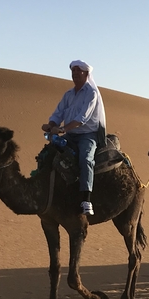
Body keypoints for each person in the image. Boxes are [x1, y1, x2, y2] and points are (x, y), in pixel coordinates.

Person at [43, 60, 106, 216]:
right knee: (48, 154)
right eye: (73, 72)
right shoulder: (69, 94)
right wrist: (51, 125)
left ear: (86, 74)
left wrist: (63, 129)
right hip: (71, 134)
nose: (75, 75)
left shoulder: (92, 93)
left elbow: (82, 118)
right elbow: (59, 112)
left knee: (85, 159)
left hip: (87, 135)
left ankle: (86, 200)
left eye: (79, 72)